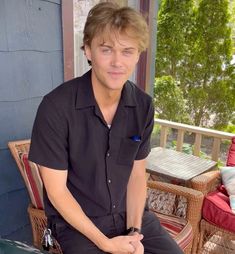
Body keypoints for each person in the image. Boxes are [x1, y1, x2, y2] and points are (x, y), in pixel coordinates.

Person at [29, 2, 183, 254]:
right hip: (78, 223)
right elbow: (57, 192)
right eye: (106, 49)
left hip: (130, 215)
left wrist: (134, 233)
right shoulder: (56, 107)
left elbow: (136, 176)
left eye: (127, 51)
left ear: (137, 55)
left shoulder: (143, 106)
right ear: (88, 50)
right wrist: (106, 244)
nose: (117, 62)